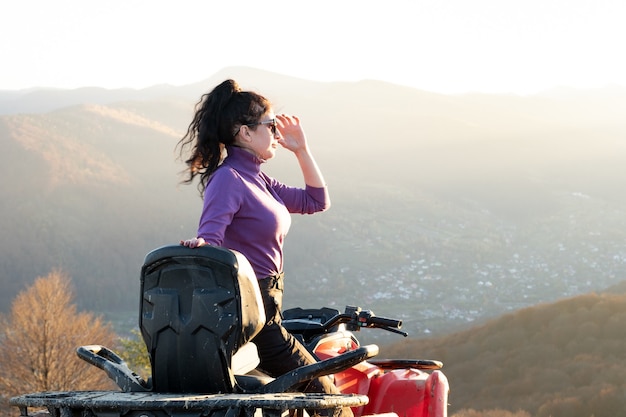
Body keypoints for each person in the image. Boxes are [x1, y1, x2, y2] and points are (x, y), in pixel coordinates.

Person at [177, 79, 351, 416]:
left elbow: (316, 201)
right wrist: (201, 245)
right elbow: (211, 237)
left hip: (269, 315)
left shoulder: (259, 178)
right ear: (245, 133)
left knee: (321, 394)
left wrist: (301, 149)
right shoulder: (229, 179)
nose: (276, 132)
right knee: (333, 404)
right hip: (255, 324)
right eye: (270, 125)